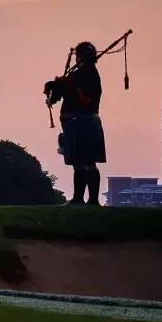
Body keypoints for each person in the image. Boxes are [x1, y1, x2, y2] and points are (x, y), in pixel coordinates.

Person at [44, 42, 107, 205]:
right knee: (85, 162)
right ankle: (87, 200)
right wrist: (58, 85)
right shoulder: (88, 74)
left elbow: (63, 90)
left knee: (82, 162)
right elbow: (64, 88)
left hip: (78, 122)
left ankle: (84, 200)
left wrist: (54, 87)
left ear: (80, 57)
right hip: (87, 122)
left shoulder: (80, 76)